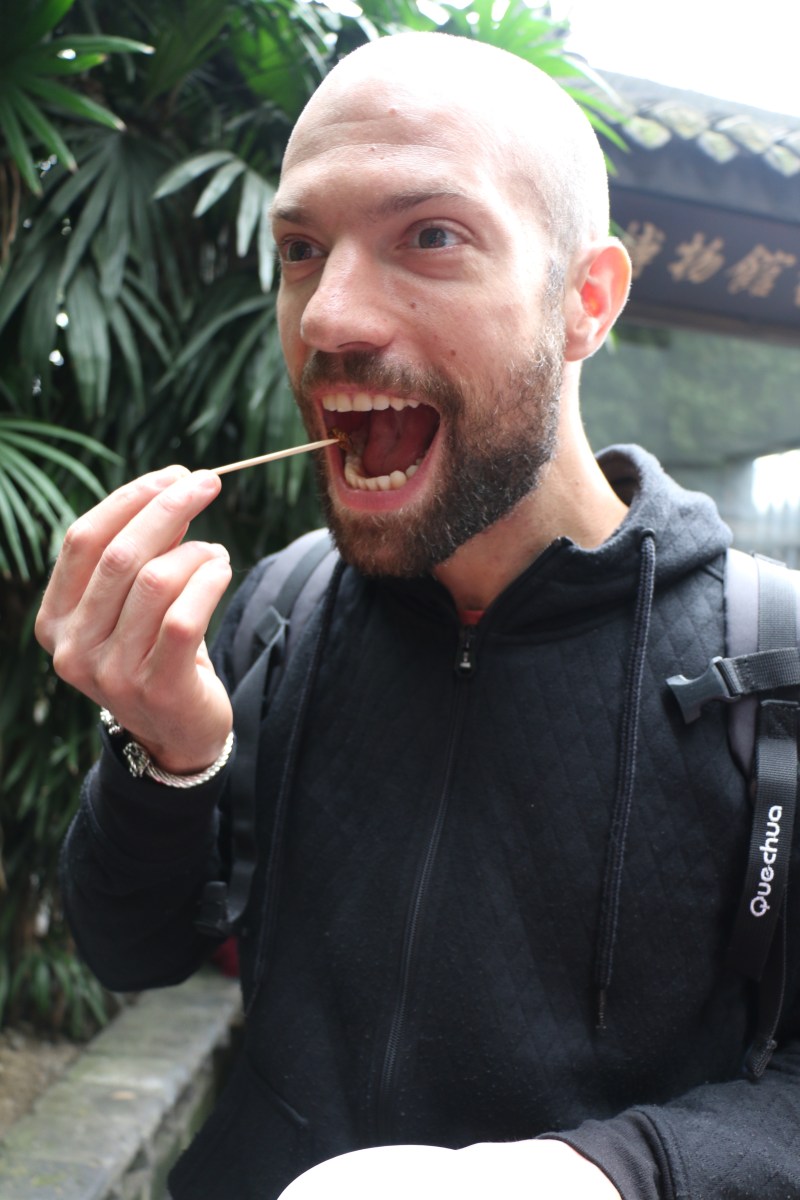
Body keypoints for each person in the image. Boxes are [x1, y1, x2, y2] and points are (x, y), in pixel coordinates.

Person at [35, 31, 800, 1200]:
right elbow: (127, 949)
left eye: (430, 236)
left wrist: (607, 1174)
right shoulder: (276, 614)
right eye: (300, 249)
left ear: (584, 301)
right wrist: (167, 757)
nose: (327, 316)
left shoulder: (768, 667)